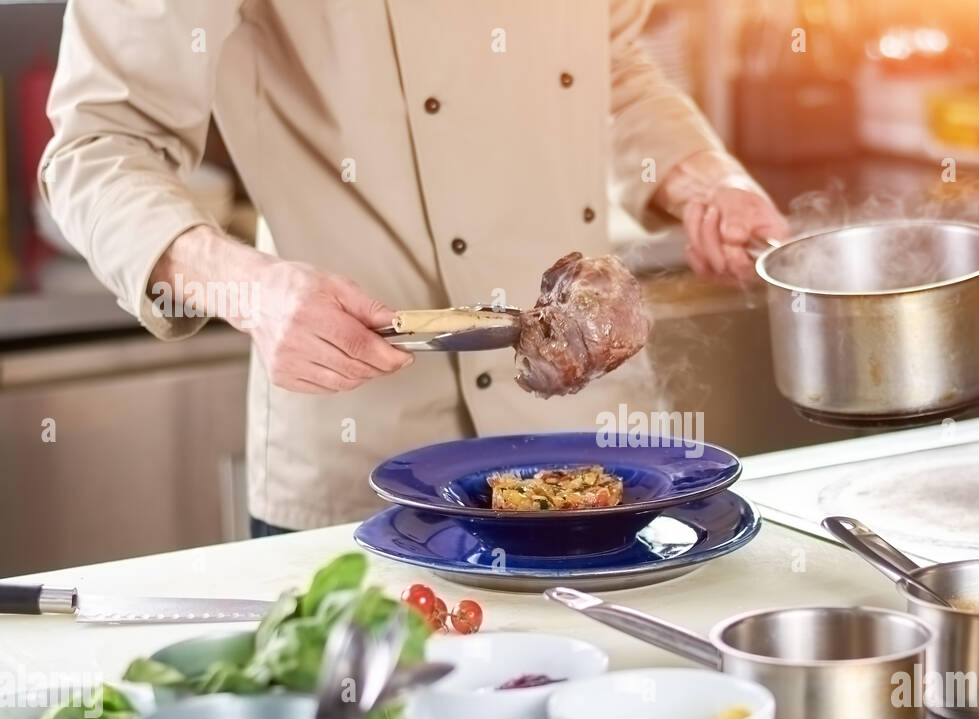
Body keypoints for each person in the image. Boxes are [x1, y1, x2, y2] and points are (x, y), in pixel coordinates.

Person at [41, 1, 788, 535]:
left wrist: (699, 176)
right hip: (370, 459)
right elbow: (100, 147)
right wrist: (251, 288)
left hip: (595, 446)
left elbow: (608, 60)